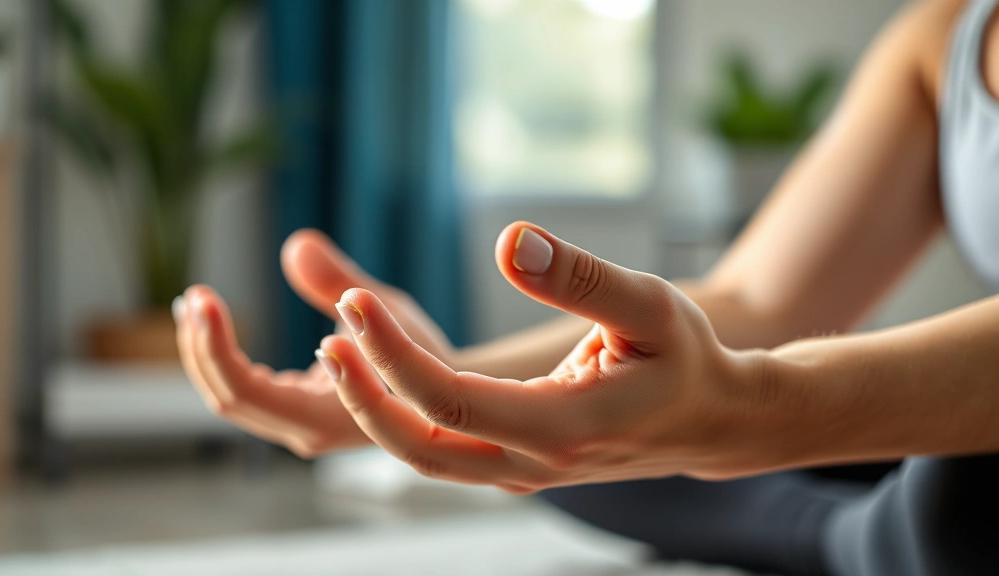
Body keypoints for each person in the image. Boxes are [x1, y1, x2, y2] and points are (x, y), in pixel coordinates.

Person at [172, 0, 999, 574]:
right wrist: (454, 380)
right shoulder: (940, 40)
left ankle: (862, 539)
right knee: (563, 450)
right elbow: (758, 301)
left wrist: (751, 411)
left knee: (955, 492)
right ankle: (860, 539)